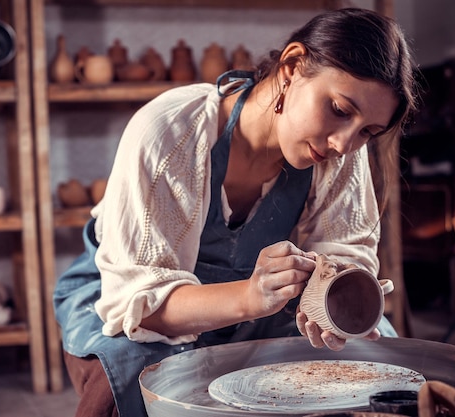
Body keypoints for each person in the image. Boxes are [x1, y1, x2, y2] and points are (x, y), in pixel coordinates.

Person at [54, 7, 419, 417]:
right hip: (130, 298)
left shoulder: (342, 154)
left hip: (261, 304)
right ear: (293, 66)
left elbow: (343, 256)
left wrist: (333, 307)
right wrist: (249, 296)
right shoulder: (171, 131)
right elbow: (142, 304)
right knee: (135, 379)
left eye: (367, 132)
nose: (343, 143)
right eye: (338, 109)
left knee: (376, 358)